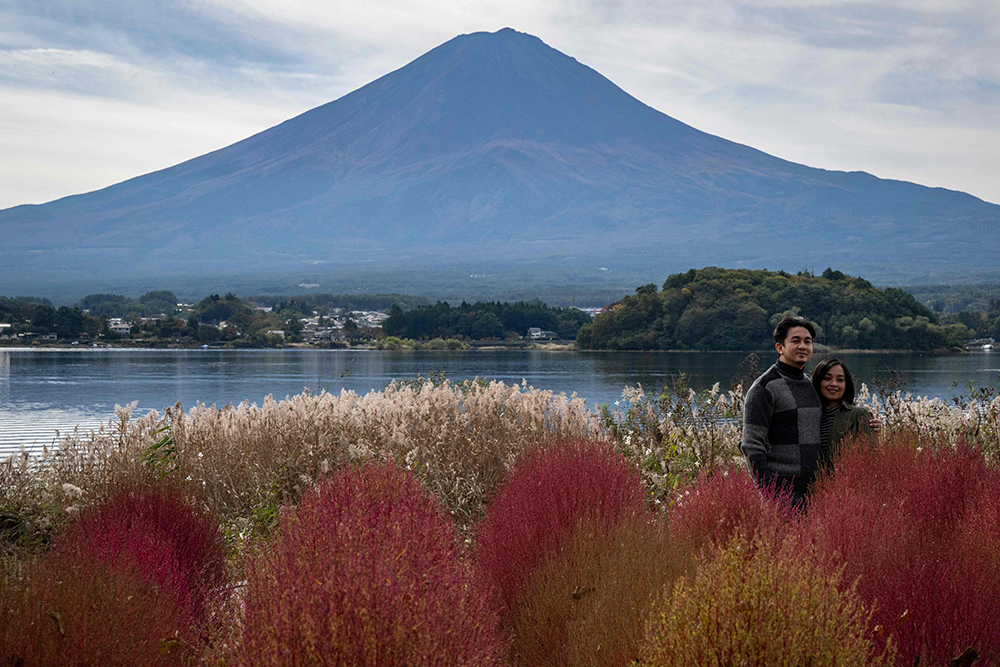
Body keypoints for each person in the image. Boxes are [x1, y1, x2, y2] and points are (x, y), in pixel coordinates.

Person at [741, 316, 822, 509]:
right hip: (783, 493)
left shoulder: (812, 384)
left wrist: (867, 422)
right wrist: (770, 490)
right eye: (795, 341)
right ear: (780, 347)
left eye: (807, 341)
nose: (802, 346)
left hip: (818, 490)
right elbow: (751, 445)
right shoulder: (764, 388)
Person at [811, 357, 873, 467]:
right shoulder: (809, 415)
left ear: (846, 385)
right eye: (827, 378)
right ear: (818, 382)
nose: (834, 384)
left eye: (840, 380)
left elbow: (872, 458)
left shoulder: (859, 416)